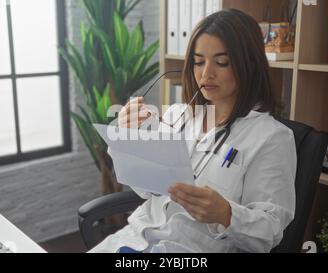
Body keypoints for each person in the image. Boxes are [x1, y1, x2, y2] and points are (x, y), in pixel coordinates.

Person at [89, 9, 297, 253]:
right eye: (198, 61)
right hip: (136, 237)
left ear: (248, 64)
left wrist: (227, 215)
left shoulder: (271, 138)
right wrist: (127, 140)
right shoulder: (177, 116)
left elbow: (270, 231)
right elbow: (148, 190)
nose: (206, 73)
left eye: (222, 62)